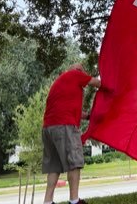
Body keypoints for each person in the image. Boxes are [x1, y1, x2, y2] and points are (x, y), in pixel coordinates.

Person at [42, 63, 101, 204]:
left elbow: (72, 110)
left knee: (54, 167)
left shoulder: (61, 82)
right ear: (80, 71)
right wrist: (116, 87)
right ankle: (74, 201)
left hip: (48, 128)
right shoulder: (75, 75)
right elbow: (97, 83)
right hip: (65, 126)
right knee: (74, 163)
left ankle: (47, 201)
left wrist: (89, 116)